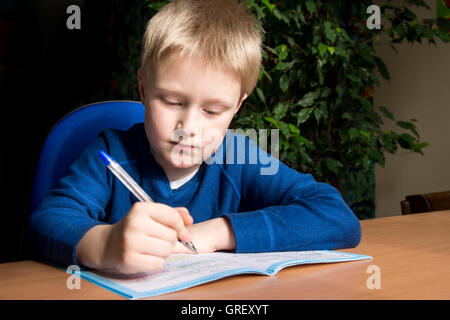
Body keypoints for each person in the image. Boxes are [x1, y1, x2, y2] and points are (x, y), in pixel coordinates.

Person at [27, 0, 361, 275]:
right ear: (143, 88)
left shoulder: (239, 158)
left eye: (213, 111)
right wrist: (103, 244)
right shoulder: (111, 153)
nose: (188, 126)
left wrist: (216, 233)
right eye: (171, 102)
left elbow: (335, 215)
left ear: (237, 107)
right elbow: (47, 220)